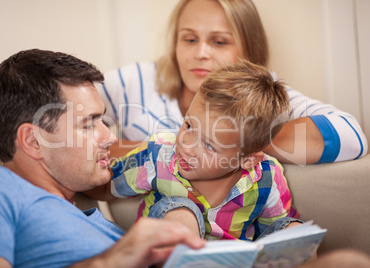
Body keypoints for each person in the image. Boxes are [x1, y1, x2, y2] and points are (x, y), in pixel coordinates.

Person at [0, 49, 205, 268]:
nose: (110, 138)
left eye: (102, 120)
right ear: (34, 141)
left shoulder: (85, 216)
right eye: (89, 124)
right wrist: (109, 262)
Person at [99, 0, 367, 164]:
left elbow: (351, 135)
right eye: (190, 39)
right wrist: (176, 147)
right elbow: (65, 112)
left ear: (248, 51)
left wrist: (237, 140)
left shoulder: (268, 97)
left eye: (219, 41)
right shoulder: (139, 80)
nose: (200, 52)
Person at [96, 60, 301, 241]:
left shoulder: (266, 177)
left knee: (293, 231)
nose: (186, 144)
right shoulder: (159, 156)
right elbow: (105, 186)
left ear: (247, 160)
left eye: (209, 145)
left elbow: (272, 234)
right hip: (166, 255)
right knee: (183, 213)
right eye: (188, 126)